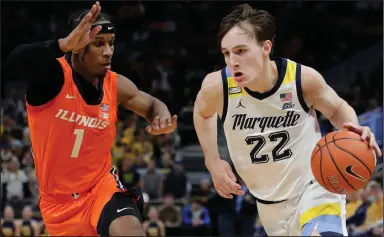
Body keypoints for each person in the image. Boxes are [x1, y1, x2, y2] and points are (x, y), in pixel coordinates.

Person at [193, 3, 382, 236]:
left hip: (315, 187)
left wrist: (354, 129)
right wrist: (212, 161)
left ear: (266, 47)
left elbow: (337, 109)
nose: (233, 60)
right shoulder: (217, 86)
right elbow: (202, 113)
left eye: (241, 51)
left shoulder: (302, 79)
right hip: (268, 204)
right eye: (226, 53)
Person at [4, 2, 177, 236]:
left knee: (130, 230)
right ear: (78, 46)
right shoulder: (53, 78)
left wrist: (162, 118)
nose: (108, 52)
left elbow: (153, 105)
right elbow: (14, 62)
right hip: (58, 204)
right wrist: (62, 45)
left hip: (100, 189)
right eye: (98, 44)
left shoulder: (115, 84)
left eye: (111, 43)